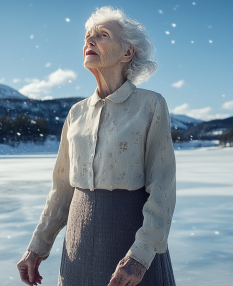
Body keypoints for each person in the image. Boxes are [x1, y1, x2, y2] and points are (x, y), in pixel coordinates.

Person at [17, 6, 176, 286]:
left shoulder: (151, 106)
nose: (89, 41)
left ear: (128, 53)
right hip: (77, 244)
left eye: (102, 35)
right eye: (87, 36)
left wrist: (140, 256)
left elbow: (162, 188)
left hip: (128, 238)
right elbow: (62, 188)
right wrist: (37, 246)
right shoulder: (76, 113)